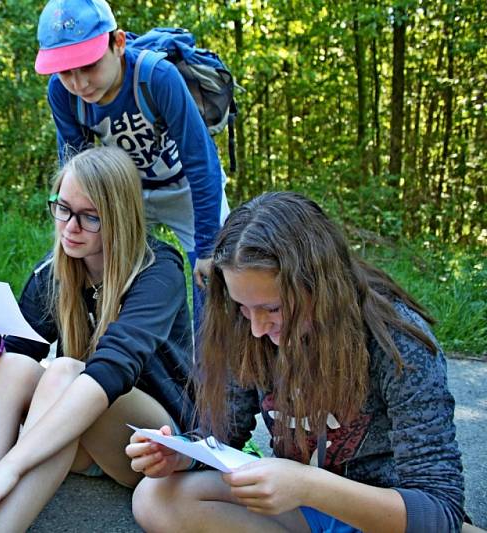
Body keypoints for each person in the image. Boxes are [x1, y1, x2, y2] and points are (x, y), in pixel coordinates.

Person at [126, 191, 465, 532]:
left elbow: (439, 511)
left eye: (273, 309)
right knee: (155, 495)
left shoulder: (397, 343)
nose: (257, 328)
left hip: (380, 513)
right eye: (243, 308)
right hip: (300, 505)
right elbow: (221, 436)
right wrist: (183, 455)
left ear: (320, 285)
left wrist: (307, 484)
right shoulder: (248, 329)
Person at [0, 146, 194, 532]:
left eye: (89, 217)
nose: (70, 227)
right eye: (63, 208)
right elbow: (14, 363)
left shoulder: (158, 269)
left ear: (119, 217)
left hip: (151, 443)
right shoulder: (52, 273)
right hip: (76, 442)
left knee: (65, 369)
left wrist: (8, 468)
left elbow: (112, 371)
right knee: (15, 365)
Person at [34, 0, 230, 324]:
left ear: (118, 43)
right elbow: (80, 173)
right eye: (66, 71)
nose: (80, 83)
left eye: (90, 65)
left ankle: (211, 370)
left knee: (214, 277)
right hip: (128, 192)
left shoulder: (157, 77)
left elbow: (201, 160)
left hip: (185, 187)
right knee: (114, 270)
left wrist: (208, 247)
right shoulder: (62, 93)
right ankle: (134, 361)